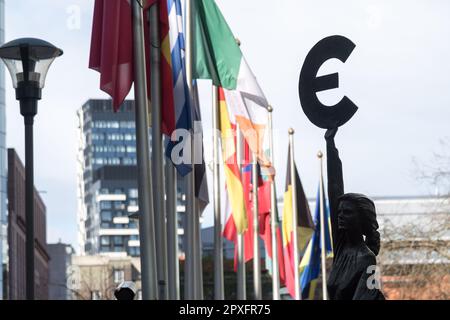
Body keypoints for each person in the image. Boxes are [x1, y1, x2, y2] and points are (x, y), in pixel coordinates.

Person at [325, 127, 385, 300]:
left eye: (348, 212)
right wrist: (330, 144)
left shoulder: (367, 259)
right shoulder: (341, 247)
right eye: (340, 211)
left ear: (361, 220)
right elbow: (334, 188)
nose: (340, 216)